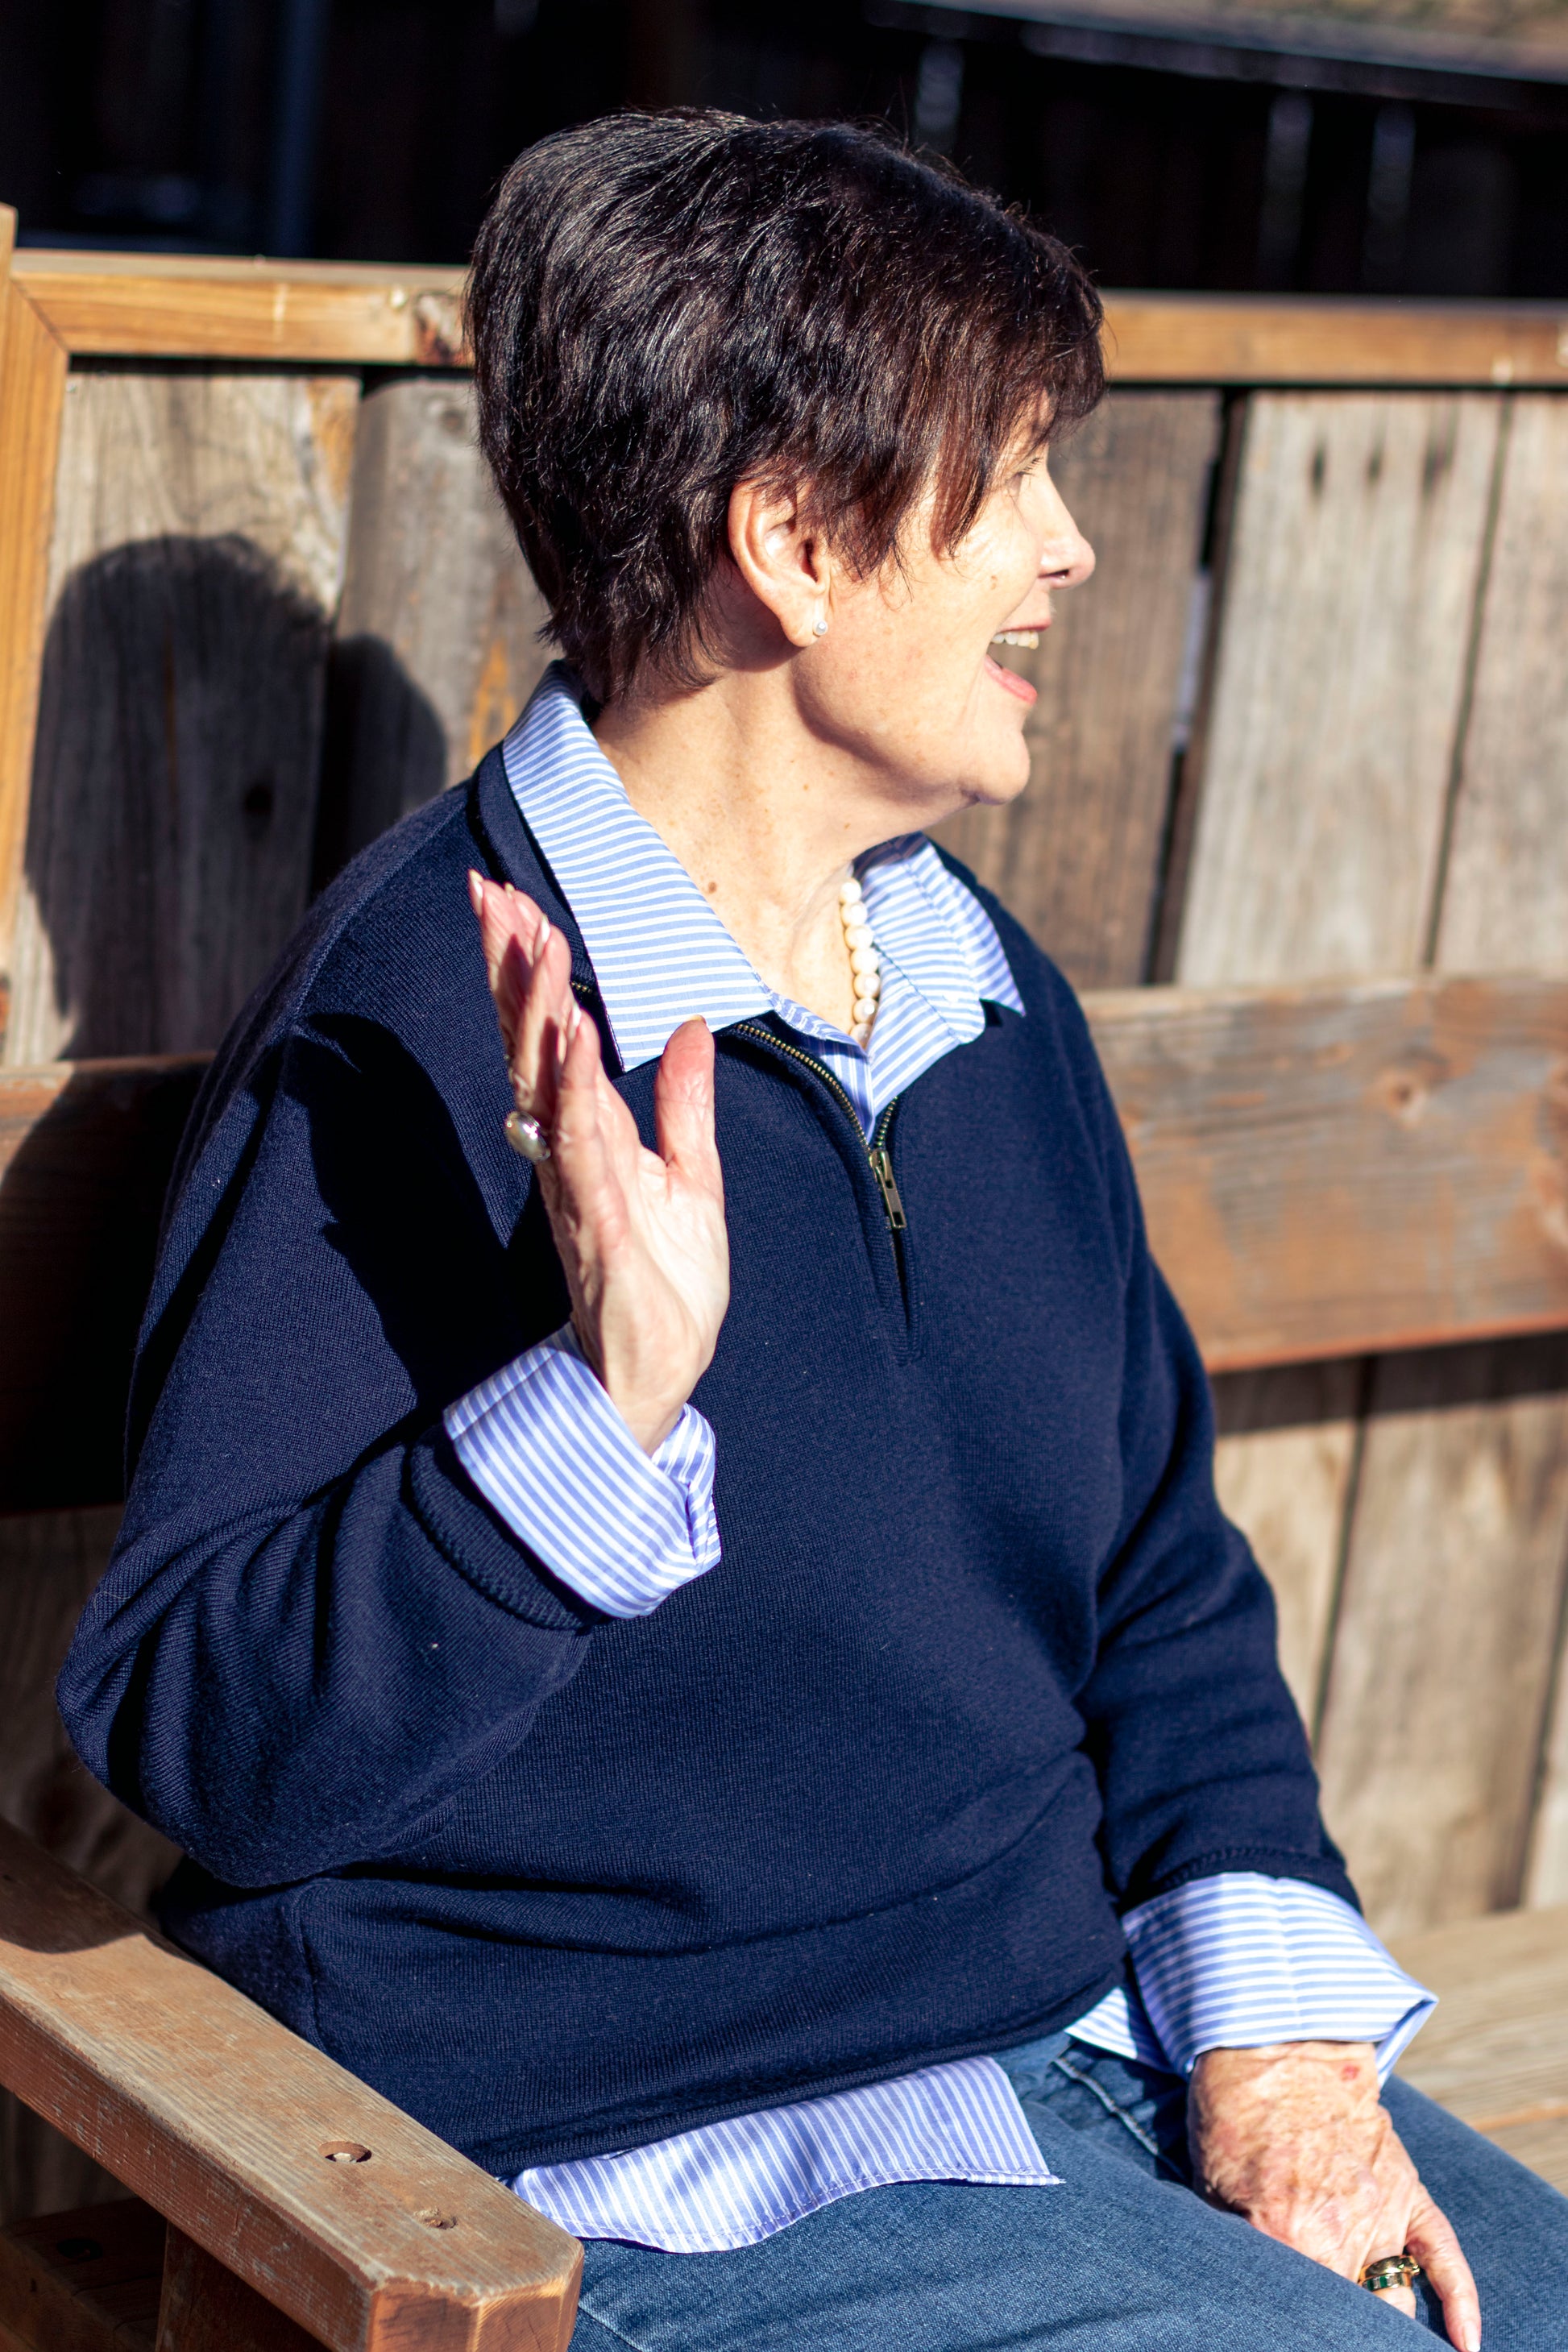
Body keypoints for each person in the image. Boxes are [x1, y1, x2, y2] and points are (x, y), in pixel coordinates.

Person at [60, 112, 1566, 2351]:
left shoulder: (980, 992)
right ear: (788, 539)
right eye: (1012, 475)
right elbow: (198, 1732)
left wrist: (1274, 2048)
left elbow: (1159, 1576)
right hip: (639, 2168)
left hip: (1066, 2052)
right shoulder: (411, 1033)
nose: (1067, 547)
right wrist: (597, 1410)